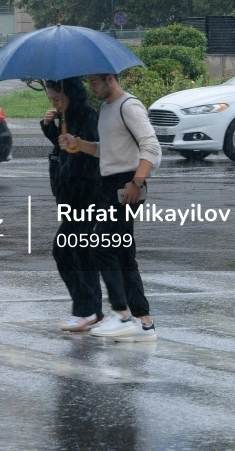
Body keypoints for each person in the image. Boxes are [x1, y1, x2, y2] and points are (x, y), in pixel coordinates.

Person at [66, 73, 161, 342]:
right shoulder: (106, 109)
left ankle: (121, 315)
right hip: (111, 184)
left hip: (127, 185)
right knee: (123, 254)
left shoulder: (128, 106)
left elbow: (150, 146)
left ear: (110, 78)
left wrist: (136, 181)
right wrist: (79, 145)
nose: (90, 87)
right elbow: (107, 150)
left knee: (102, 246)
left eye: (95, 82)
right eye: (88, 83)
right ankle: (144, 323)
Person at [40, 77, 102, 332]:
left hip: (85, 195)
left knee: (66, 249)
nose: (54, 103)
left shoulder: (86, 116)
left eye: (57, 98)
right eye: (51, 99)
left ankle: (87, 309)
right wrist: (49, 126)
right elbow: (62, 146)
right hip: (71, 197)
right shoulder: (68, 116)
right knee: (79, 252)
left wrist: (74, 147)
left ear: (71, 94)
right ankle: (90, 310)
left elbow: (91, 153)